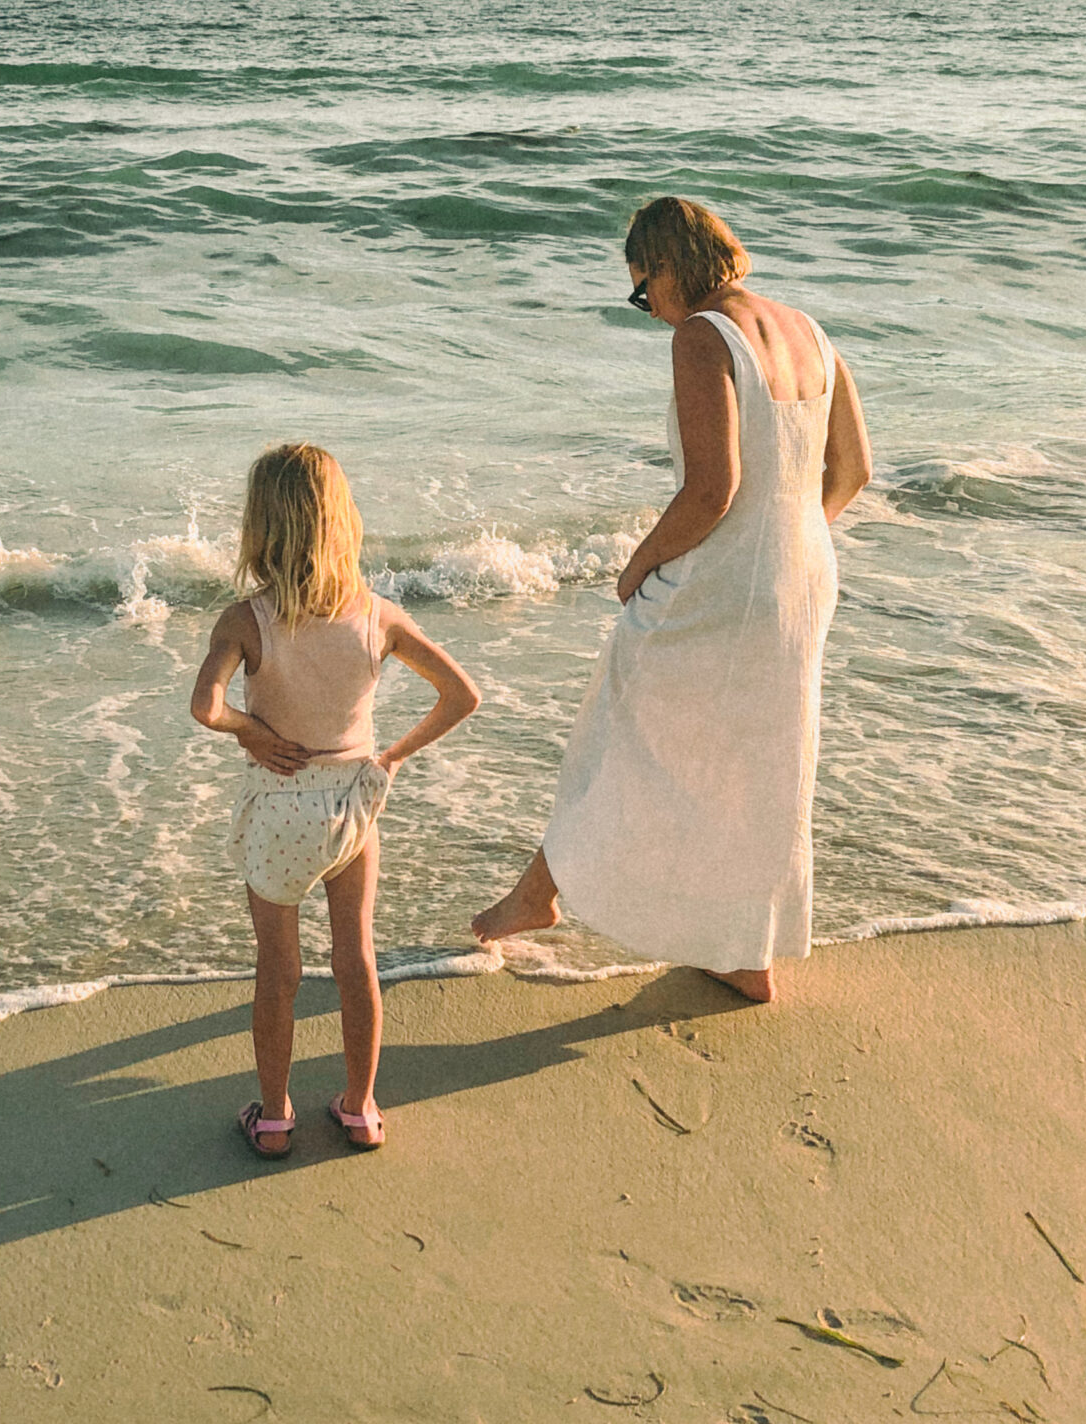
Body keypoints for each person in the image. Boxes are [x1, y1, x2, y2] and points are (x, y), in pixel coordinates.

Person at [472, 197, 871, 1002]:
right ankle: (742, 951)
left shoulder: (703, 336)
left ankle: (539, 896)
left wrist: (636, 566)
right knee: (756, 762)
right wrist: (785, 543)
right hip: (803, 576)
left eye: (640, 288)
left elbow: (711, 490)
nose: (646, 309)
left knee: (617, 724)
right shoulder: (811, 331)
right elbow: (853, 470)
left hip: (723, 582)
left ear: (668, 263)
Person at [191, 443, 479, 1155]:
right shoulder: (377, 615)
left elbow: (206, 706)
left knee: (279, 970)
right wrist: (392, 756)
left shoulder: (245, 620)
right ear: (340, 522)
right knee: (355, 956)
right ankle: (359, 1107)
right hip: (353, 799)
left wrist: (249, 730)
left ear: (260, 527)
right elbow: (462, 695)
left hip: (280, 805)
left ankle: (276, 1117)